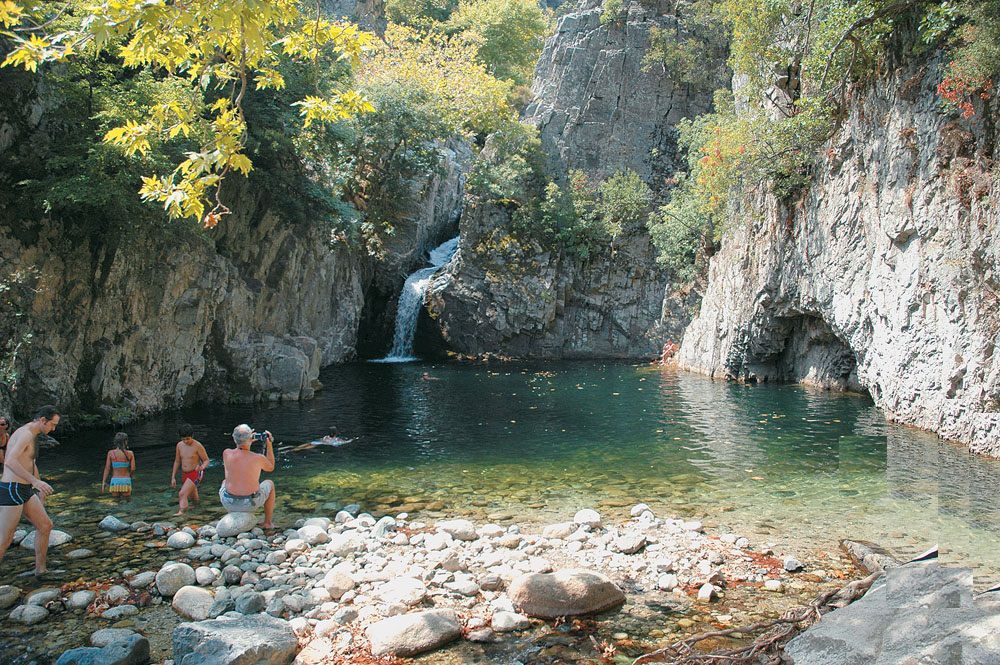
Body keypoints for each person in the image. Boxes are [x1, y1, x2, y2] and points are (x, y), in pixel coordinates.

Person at [0, 406, 58, 578]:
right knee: (4, 539)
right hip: (11, 489)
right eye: (52, 424)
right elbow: (10, 461)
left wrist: (37, 487)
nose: (53, 429)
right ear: (42, 420)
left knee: (45, 525)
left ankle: (40, 570)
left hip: (24, 489)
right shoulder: (25, 434)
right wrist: (35, 481)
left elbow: (30, 463)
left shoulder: (31, 434)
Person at [220, 424, 276, 529]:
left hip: (228, 502)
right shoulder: (258, 458)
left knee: (225, 481)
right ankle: (268, 523)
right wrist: (269, 444)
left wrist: (247, 439)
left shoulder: (226, 453)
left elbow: (241, 455)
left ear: (234, 438)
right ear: (251, 437)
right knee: (270, 483)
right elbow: (271, 467)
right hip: (250, 504)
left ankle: (233, 514)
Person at [170, 424, 209, 516]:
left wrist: (202, 467)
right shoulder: (179, 445)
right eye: (183, 439)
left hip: (196, 472)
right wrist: (173, 477)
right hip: (185, 473)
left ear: (192, 436)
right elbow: (177, 461)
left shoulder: (198, 445)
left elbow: (206, 460)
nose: (185, 441)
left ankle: (182, 513)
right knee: (193, 496)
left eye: (188, 438)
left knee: (182, 494)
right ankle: (199, 510)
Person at [101, 432, 135, 500]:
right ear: (125, 441)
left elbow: (107, 468)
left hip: (115, 481)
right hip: (126, 481)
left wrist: (103, 482)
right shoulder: (130, 453)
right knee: (128, 501)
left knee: (116, 501)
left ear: (115, 442)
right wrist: (130, 476)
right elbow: (133, 468)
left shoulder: (111, 453)